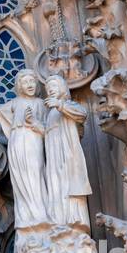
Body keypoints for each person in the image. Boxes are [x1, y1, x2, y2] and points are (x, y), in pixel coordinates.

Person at [0, 70, 48, 232]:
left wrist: (33, 121)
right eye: (25, 82)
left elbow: (49, 130)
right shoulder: (14, 103)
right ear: (19, 86)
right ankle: (25, 217)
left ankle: (40, 215)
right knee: (20, 178)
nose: (29, 85)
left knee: (35, 175)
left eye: (32, 81)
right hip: (16, 141)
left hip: (33, 140)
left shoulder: (41, 104)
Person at [43, 74, 91, 229]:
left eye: (54, 86)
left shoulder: (68, 105)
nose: (50, 90)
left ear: (62, 88)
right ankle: (59, 221)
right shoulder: (49, 113)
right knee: (56, 185)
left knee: (70, 184)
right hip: (53, 156)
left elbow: (82, 114)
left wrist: (60, 105)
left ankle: (75, 221)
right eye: (48, 88)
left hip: (68, 153)